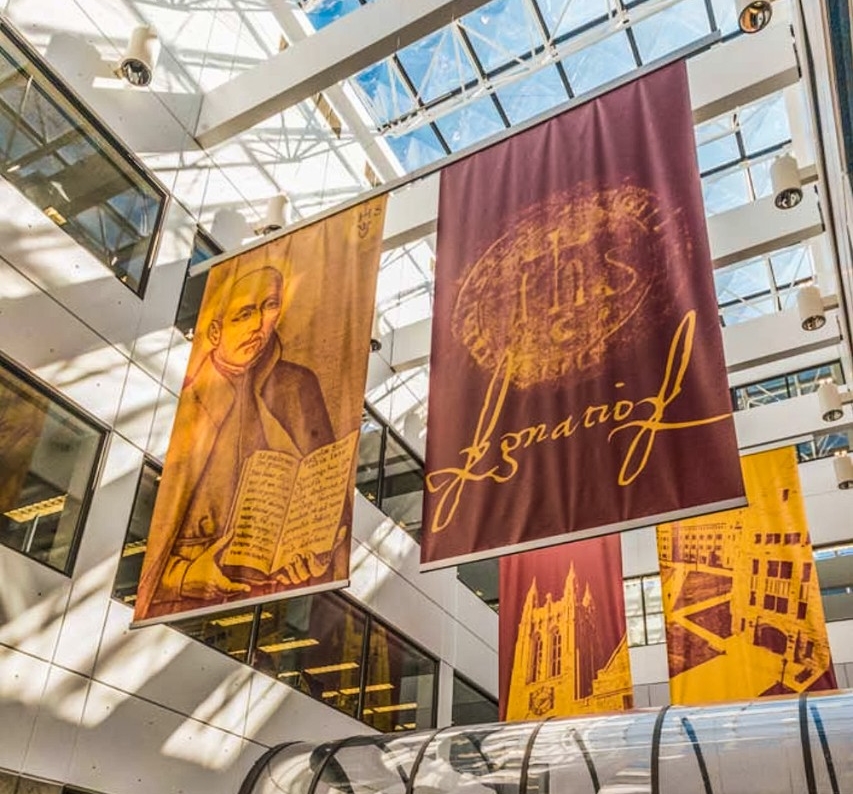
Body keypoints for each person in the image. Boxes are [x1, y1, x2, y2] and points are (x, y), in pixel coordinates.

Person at [136, 264, 342, 619]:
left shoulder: (297, 386)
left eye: (271, 306)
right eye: (244, 313)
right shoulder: (188, 404)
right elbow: (154, 543)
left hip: (265, 600)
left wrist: (313, 550)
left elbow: (328, 496)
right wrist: (182, 577)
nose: (258, 326)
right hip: (183, 605)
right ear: (214, 331)